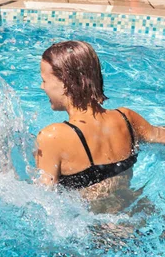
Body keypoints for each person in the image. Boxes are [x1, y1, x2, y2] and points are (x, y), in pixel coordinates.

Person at [34, 40, 165, 205]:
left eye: (44, 80)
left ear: (65, 83)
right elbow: (161, 136)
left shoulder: (52, 136)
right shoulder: (127, 118)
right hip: (137, 213)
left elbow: (41, 202)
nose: (42, 87)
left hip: (96, 229)